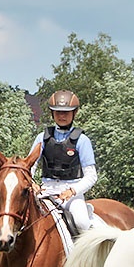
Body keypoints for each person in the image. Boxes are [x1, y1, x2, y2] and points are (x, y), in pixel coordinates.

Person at [30, 90, 101, 234]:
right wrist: (32, 183)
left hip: (71, 192)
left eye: (66, 112)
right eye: (58, 112)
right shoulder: (41, 138)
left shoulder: (82, 140)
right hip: (46, 190)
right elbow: (29, 167)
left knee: (81, 222)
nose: (62, 116)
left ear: (74, 113)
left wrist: (72, 191)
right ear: (52, 113)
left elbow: (91, 176)